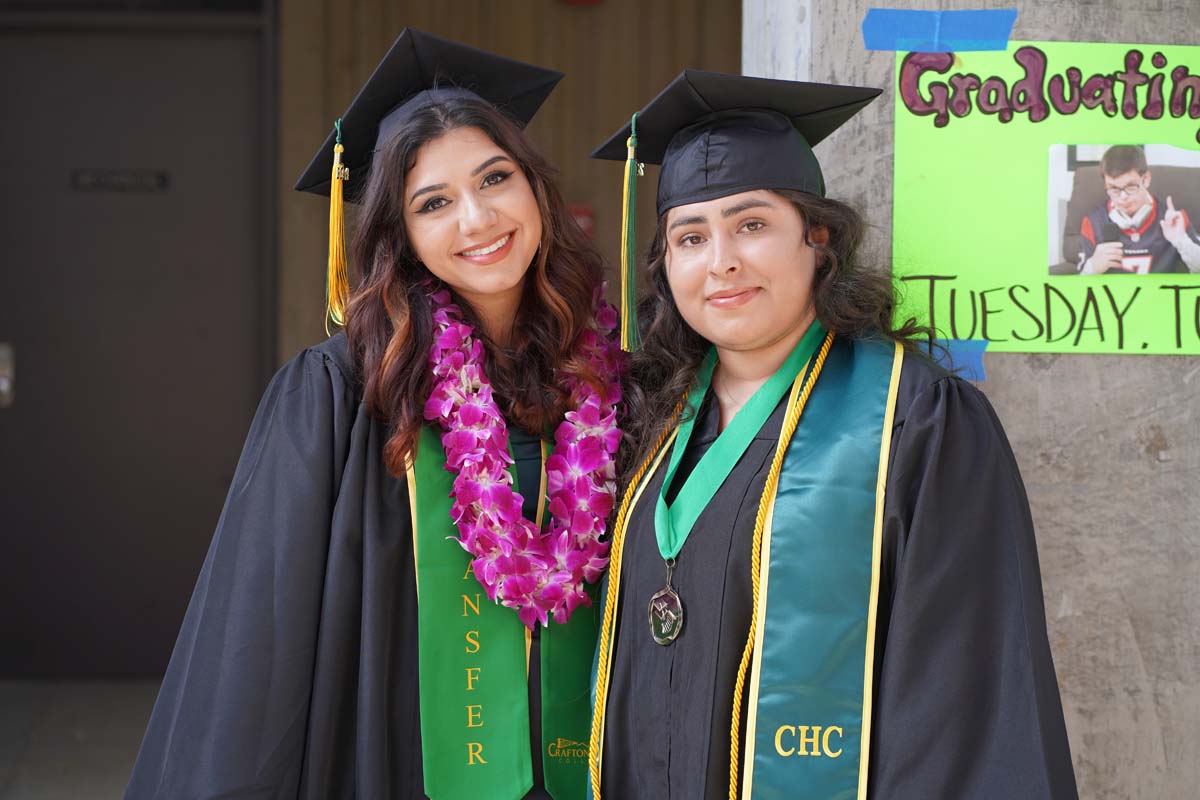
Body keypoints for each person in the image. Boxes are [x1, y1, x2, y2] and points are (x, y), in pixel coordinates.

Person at [125, 29, 622, 800]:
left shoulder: (609, 375)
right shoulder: (337, 394)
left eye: (496, 178)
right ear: (402, 237)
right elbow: (260, 643)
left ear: (535, 188)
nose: (477, 218)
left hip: (582, 767)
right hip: (402, 768)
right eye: (434, 202)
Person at [587, 70, 1078, 799]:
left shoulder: (917, 426)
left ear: (818, 237)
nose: (720, 260)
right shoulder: (642, 422)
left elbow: (965, 708)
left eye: (751, 225)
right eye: (691, 236)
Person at [1077, 144, 1200, 274]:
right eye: (1114, 189)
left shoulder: (1174, 219)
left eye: (1130, 187)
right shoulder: (1092, 222)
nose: (1122, 198)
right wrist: (1092, 267)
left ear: (1146, 179)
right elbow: (1078, 286)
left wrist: (1181, 241)